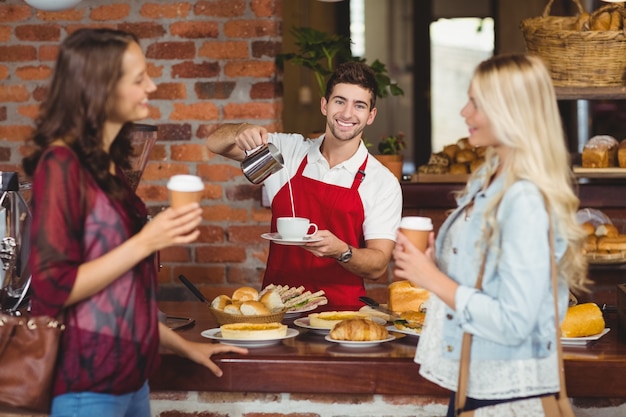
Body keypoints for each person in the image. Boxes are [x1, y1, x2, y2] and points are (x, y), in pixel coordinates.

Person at [22, 28, 247, 417]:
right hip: (88, 385)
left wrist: (185, 347)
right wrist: (146, 241)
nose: (153, 85)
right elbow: (53, 287)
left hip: (133, 382)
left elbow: (121, 296)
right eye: (139, 78)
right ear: (101, 87)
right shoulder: (60, 165)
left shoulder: (108, 166)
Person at [392, 54, 589, 416]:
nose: (464, 112)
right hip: (477, 381)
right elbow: (488, 278)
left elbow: (515, 321)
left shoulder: (525, 198)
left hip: (509, 394)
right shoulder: (491, 179)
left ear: (511, 111)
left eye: (476, 103)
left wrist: (431, 279)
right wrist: (435, 264)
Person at [206, 61, 403, 309]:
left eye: (359, 105)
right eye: (339, 101)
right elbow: (214, 143)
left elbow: (378, 265)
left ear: (371, 115)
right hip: (277, 311)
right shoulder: (288, 151)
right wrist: (240, 130)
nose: (347, 113)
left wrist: (341, 250)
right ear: (325, 105)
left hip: (342, 316)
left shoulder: (382, 182)